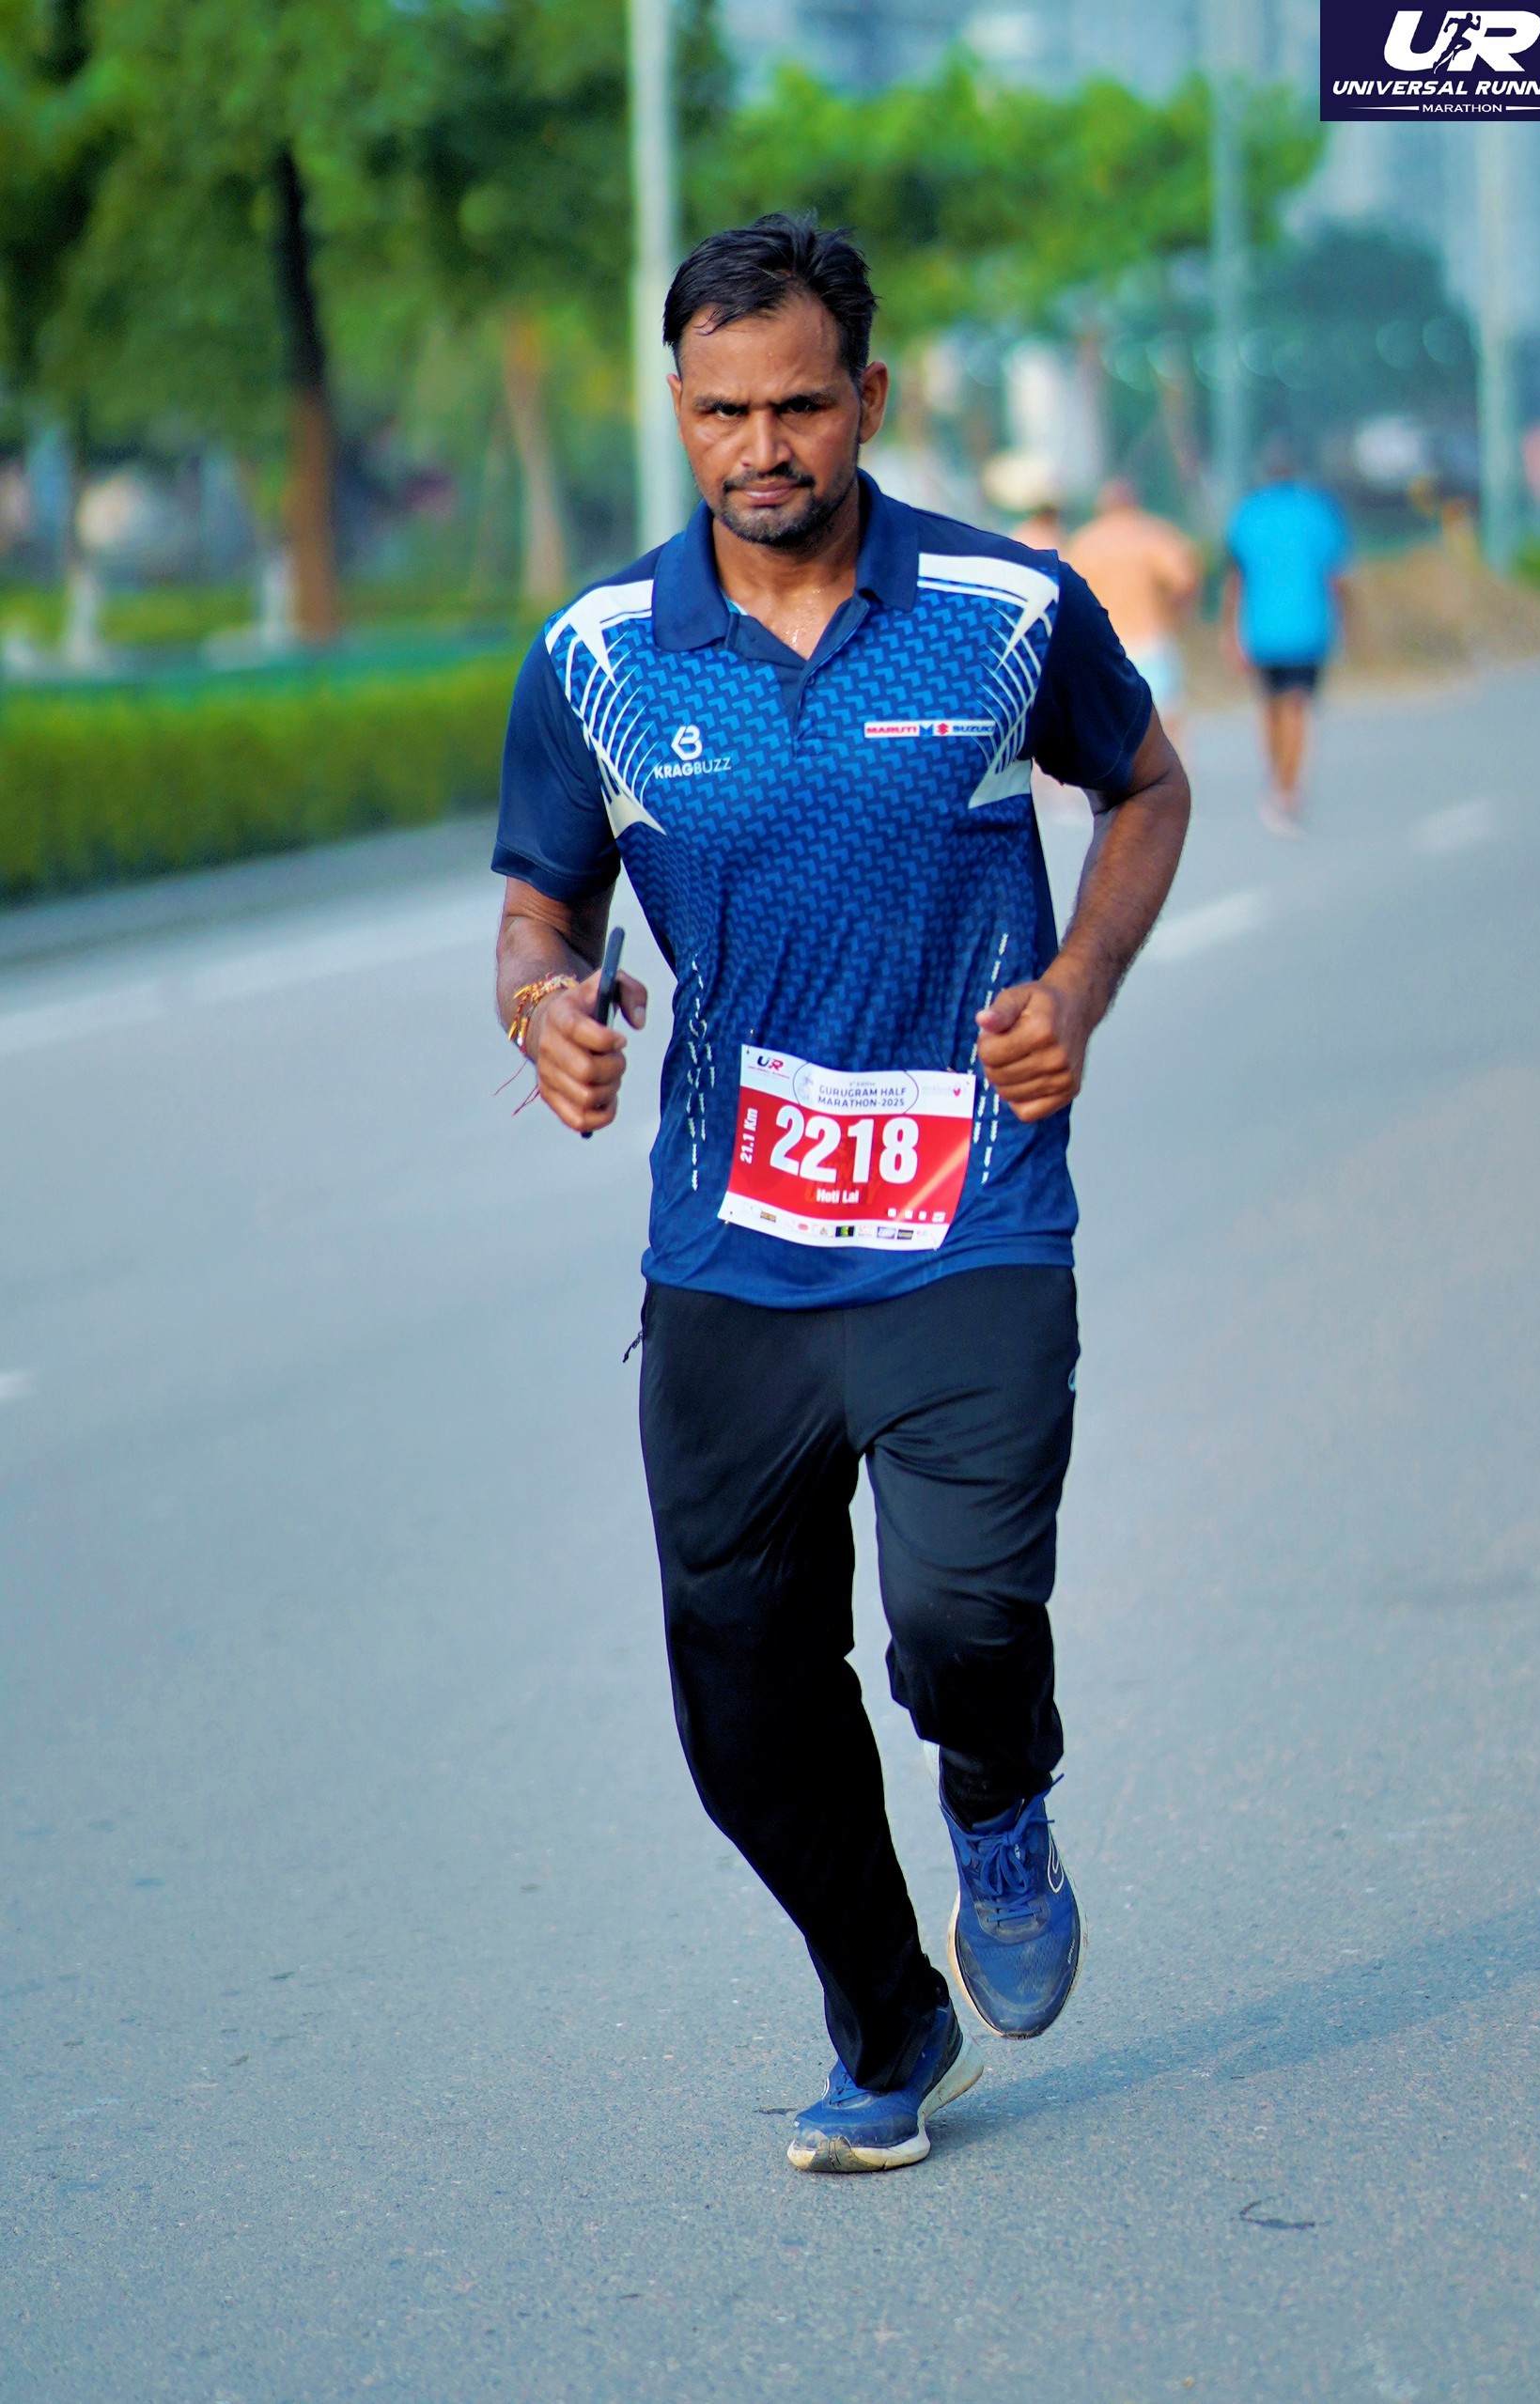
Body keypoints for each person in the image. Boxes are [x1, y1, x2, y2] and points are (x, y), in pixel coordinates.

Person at [490, 215, 1190, 2175]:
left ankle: (998, 1799)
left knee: (961, 1617)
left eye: (799, 404)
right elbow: (542, 902)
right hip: (733, 1247)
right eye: (723, 411)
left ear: (867, 397)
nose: (763, 446)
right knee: (739, 1699)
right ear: (678, 409)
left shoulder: (1004, 606)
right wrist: (546, 1007)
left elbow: (1148, 788)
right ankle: (885, 2011)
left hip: (973, 1213)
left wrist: (1078, 987)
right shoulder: (600, 656)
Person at [1222, 437, 1351, 834]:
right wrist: (1347, 621)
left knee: (1270, 706)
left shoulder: (1248, 513)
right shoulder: (1318, 509)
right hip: (1308, 627)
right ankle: (1287, 790)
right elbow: (1337, 576)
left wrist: (1230, 631)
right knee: (1297, 706)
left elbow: (1236, 580)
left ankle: (1277, 775)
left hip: (1260, 629)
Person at [1064, 477, 1201, 748]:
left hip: (1105, 646)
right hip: (1151, 639)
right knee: (1165, 726)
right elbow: (1186, 580)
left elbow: (1067, 597)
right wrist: (1171, 612)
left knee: (1110, 729)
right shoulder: (1152, 535)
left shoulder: (1084, 542)